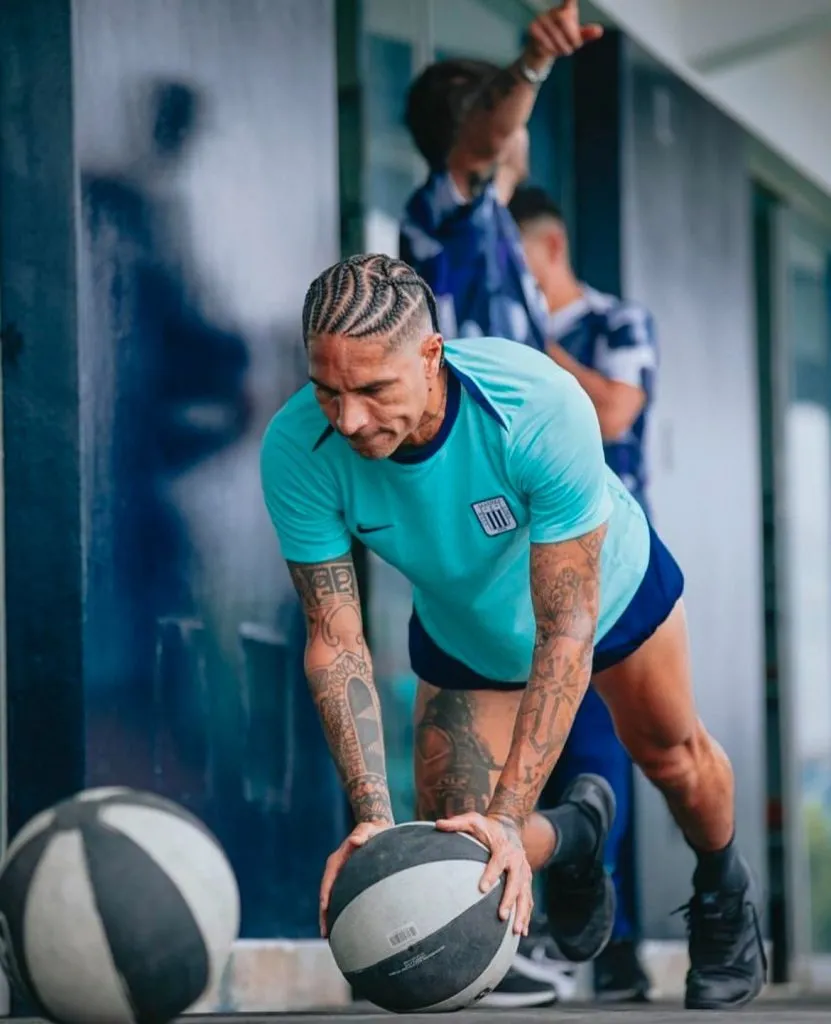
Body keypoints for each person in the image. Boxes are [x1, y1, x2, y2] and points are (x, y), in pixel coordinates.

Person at [260, 253, 767, 1013]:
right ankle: (575, 838)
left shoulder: (533, 404)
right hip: (465, 628)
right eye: (327, 390)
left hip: (610, 594)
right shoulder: (298, 449)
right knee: (451, 857)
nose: (349, 418)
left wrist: (507, 815)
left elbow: (565, 628)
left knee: (671, 757)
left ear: (430, 356)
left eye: (371, 389)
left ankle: (723, 895)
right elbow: (335, 640)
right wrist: (371, 818)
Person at [398, 0, 629, 1001]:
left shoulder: (497, 229)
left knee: (582, 721)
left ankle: (552, 897)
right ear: (477, 132)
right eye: (503, 123)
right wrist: (532, 57)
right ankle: (492, 922)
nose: (519, 137)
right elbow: (491, 132)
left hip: (546, 498)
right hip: (472, 505)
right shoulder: (441, 211)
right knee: (479, 734)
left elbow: (570, 382)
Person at [510, 183, 657, 1000]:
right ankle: (538, 935)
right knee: (534, 750)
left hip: (611, 557)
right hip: (514, 557)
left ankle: (611, 945)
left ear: (552, 247)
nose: (517, 280)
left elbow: (612, 416)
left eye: (522, 262)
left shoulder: (616, 322)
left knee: (609, 747)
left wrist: (533, 349)